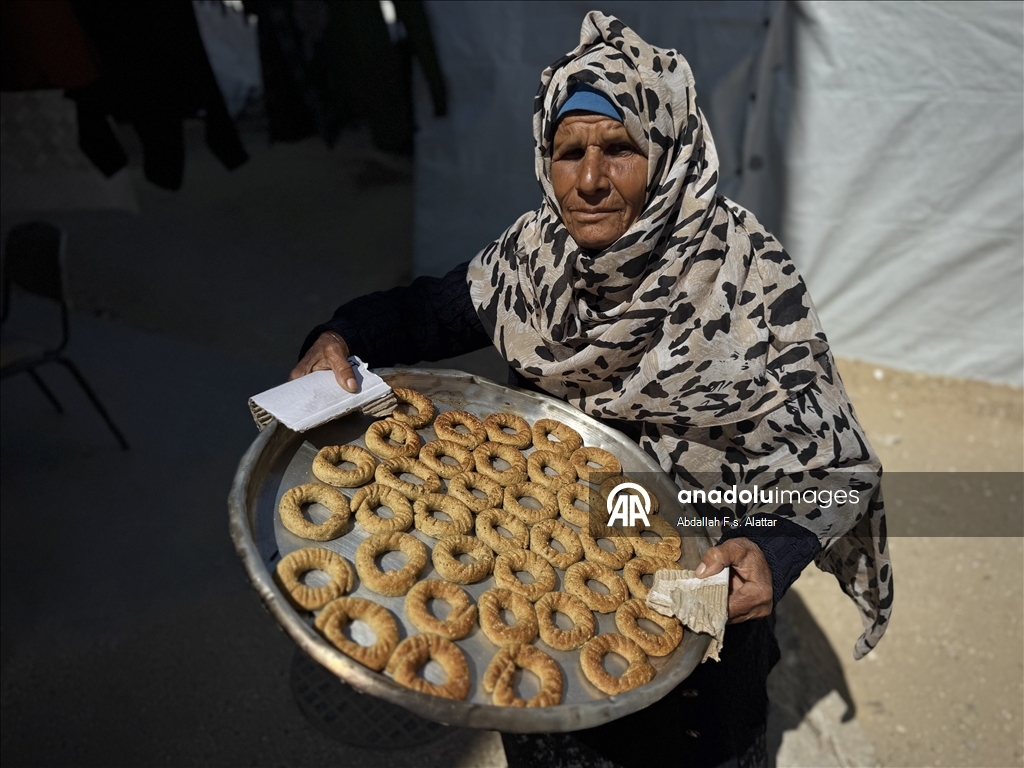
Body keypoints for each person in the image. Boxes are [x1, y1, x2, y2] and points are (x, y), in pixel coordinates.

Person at [290, 12, 892, 768]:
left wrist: (775, 551)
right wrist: (341, 333)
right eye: (568, 152)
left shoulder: (745, 279)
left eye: (619, 149)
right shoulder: (539, 256)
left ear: (667, 151)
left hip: (695, 613)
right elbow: (433, 310)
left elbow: (836, 466)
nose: (589, 181)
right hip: (541, 594)